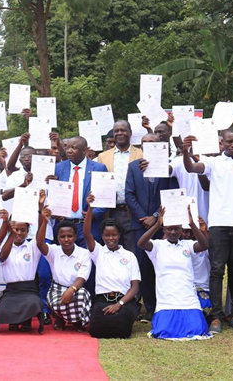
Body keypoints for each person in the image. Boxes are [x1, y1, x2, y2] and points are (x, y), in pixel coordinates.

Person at [182, 128, 233, 333]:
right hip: (218, 224)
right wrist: (185, 151)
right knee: (217, 270)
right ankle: (216, 316)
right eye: (229, 141)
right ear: (222, 142)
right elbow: (192, 168)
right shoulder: (214, 162)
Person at [125, 133, 180, 321]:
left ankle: (165, 305)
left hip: (165, 226)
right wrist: (143, 217)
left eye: (153, 143)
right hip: (141, 226)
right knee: (144, 267)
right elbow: (129, 194)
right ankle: (149, 308)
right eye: (145, 143)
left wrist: (156, 217)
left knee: (164, 266)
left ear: (161, 145)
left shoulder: (169, 167)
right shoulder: (133, 167)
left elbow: (173, 193)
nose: (148, 145)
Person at [137, 207, 211, 340]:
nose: (172, 232)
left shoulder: (188, 245)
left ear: (181, 231)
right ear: (164, 229)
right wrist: (157, 225)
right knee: (164, 331)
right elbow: (141, 243)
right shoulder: (158, 246)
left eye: (176, 229)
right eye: (169, 228)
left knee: (198, 329)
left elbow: (204, 245)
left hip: (188, 299)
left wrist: (192, 224)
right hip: (167, 300)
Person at [83, 193, 140, 339]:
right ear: (102, 236)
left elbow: (135, 288)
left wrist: (119, 304)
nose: (110, 238)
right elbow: (86, 233)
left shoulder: (129, 256)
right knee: (96, 330)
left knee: (123, 331)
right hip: (102, 300)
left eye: (114, 234)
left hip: (124, 301)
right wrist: (90, 208)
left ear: (119, 235)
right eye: (107, 235)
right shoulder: (99, 252)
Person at [0, 192, 46, 334]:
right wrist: (12, 234)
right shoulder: (6, 246)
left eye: (23, 230)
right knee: (3, 309)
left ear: (28, 231)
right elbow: (2, 256)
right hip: (11, 291)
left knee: (33, 303)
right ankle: (15, 321)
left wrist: (40, 206)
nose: (19, 233)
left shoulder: (33, 246)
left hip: (29, 290)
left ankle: (26, 321)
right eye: (17, 230)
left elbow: (40, 230)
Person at [35, 214, 92, 331]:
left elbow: (82, 277)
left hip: (76, 289)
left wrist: (71, 290)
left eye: (70, 236)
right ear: (58, 237)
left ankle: (77, 321)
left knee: (83, 296)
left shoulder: (84, 253)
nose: (66, 239)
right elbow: (40, 244)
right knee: (54, 301)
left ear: (75, 237)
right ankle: (59, 317)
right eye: (62, 236)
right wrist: (44, 222)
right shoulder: (53, 251)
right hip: (57, 289)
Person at [54, 136, 109, 247]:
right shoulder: (58, 168)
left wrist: (94, 213)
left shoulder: (99, 168)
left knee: (89, 262)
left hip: (88, 226)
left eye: (73, 148)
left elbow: (107, 196)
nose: (69, 151)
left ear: (84, 150)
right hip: (65, 226)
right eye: (67, 147)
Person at [96, 120, 144, 236]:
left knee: (132, 251)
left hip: (133, 212)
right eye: (116, 131)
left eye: (123, 130)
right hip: (111, 212)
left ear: (130, 133)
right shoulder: (103, 156)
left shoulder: (141, 154)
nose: (119, 133)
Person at [182, 216, 211, 311]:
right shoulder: (178, 247)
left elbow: (212, 251)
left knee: (204, 309)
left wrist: (204, 231)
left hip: (203, 288)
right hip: (185, 288)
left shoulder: (204, 247)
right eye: (185, 232)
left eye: (192, 232)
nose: (188, 235)